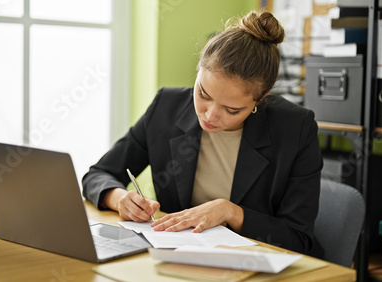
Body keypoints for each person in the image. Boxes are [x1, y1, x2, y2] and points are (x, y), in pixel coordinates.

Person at [82, 11, 323, 256]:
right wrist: (117, 197)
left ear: (260, 101)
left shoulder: (296, 128)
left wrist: (231, 212)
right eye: (203, 95)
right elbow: (98, 174)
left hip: (253, 263)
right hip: (177, 257)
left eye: (232, 110)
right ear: (198, 72)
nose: (210, 116)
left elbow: (298, 239)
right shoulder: (167, 107)